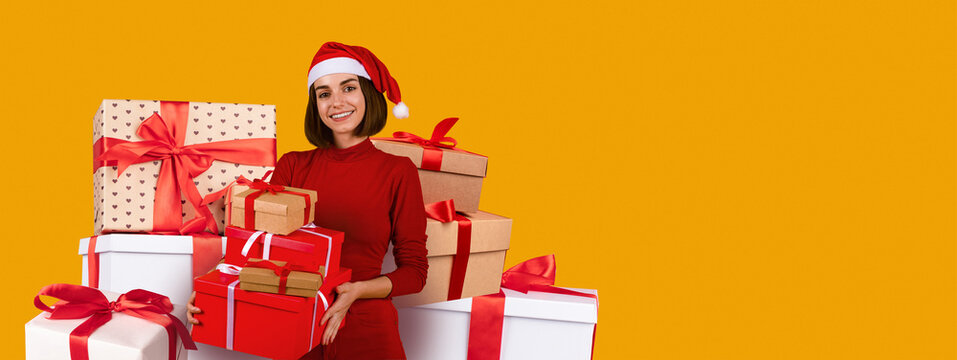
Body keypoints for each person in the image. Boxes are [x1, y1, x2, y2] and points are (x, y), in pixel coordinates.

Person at [188, 42, 429, 360]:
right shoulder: (293, 165)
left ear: (367, 93)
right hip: (295, 329)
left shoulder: (398, 171)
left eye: (348, 88)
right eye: (324, 93)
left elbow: (415, 272)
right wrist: (215, 289)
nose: (337, 102)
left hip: (368, 333)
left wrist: (356, 290)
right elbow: (256, 248)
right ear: (315, 104)